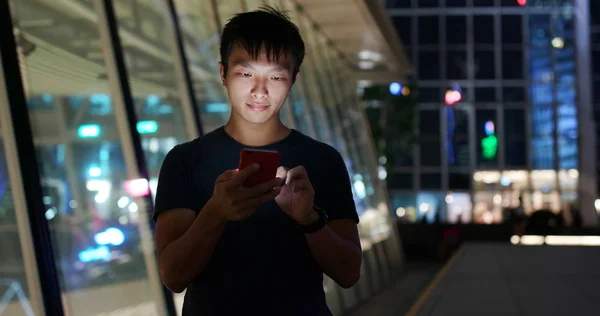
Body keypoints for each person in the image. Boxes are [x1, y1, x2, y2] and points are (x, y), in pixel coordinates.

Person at [153, 6, 362, 316]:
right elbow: (173, 276)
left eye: (276, 76)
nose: (260, 91)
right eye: (246, 73)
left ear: (293, 80)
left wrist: (309, 219)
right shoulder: (185, 160)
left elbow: (349, 274)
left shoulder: (323, 160)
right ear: (223, 73)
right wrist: (216, 212)